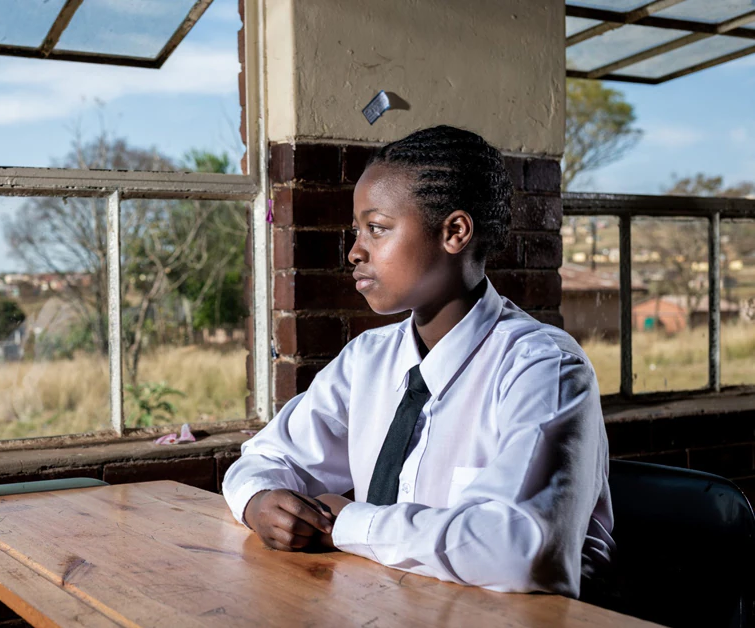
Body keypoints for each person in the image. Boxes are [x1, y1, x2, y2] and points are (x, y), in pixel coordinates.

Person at [222, 125, 614, 598]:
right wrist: (260, 501)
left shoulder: (543, 369)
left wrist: (349, 522)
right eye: (356, 230)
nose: (355, 251)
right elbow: (265, 457)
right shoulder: (367, 360)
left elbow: (521, 553)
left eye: (378, 228)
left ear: (454, 232)